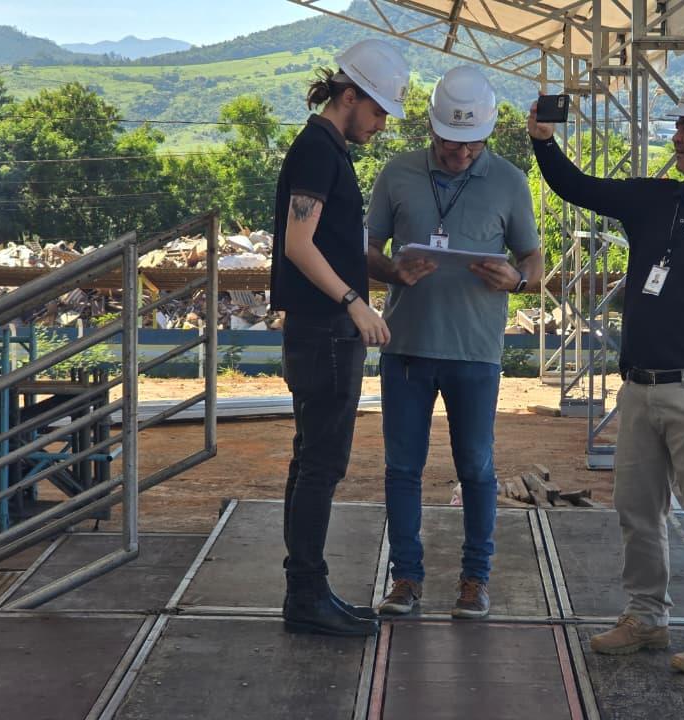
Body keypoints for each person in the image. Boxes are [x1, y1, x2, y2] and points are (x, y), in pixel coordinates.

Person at [528, 72, 684, 675]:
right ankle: (647, 617)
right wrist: (542, 140)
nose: (677, 135)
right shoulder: (656, 200)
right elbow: (575, 186)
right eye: (679, 125)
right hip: (640, 389)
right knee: (636, 512)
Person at [366, 66, 543, 620]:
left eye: (472, 145)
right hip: (407, 349)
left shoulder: (510, 181)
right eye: (449, 142)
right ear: (431, 128)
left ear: (487, 135)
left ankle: (475, 580)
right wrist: (392, 271)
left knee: (476, 468)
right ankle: (406, 580)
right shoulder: (396, 174)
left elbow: (533, 260)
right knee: (402, 468)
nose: (460, 154)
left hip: (476, 353)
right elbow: (366, 250)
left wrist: (517, 280)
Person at [269, 38, 409, 637]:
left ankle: (309, 588)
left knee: (312, 462)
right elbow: (298, 245)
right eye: (377, 111)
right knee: (321, 464)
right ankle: (305, 596)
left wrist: (387, 272)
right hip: (325, 331)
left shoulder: (324, 148)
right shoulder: (318, 151)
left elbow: (328, 245)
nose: (380, 125)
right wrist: (354, 304)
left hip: (323, 329)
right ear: (348, 96)